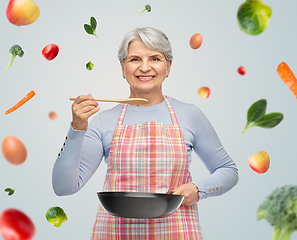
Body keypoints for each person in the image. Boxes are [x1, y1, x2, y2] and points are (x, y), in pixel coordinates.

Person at [52, 27, 239, 239]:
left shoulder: (190, 115)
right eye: (134, 59)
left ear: (168, 67)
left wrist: (199, 189)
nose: (144, 67)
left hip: (176, 231)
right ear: (123, 68)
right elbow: (63, 186)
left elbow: (228, 170)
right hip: (115, 233)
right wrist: (77, 127)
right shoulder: (104, 121)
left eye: (155, 58)